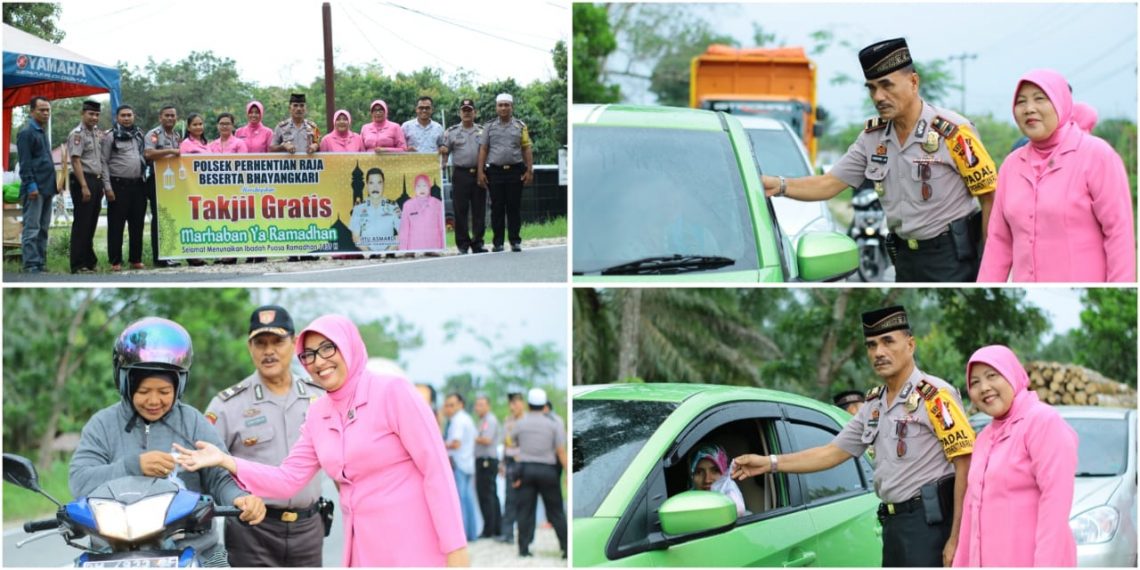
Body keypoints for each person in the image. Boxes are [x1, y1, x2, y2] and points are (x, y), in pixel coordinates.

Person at [175, 314, 469, 567]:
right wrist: (225, 460)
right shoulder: (319, 413)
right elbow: (288, 479)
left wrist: (456, 550)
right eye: (309, 355)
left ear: (348, 345)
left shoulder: (392, 392)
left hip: (413, 542)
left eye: (328, 348)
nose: (319, 361)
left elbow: (437, 472)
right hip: (363, 547)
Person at [732, 305, 975, 567]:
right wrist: (769, 463)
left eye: (888, 341)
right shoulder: (873, 404)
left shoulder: (934, 395)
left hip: (930, 526)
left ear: (910, 345)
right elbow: (831, 453)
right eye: (871, 345)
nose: (878, 352)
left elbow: (965, 464)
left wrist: (956, 538)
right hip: (894, 525)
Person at [762, 38, 997, 282]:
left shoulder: (953, 131)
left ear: (913, 82)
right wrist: (778, 185)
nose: (878, 97)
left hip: (953, 258)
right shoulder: (873, 138)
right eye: (872, 88)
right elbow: (828, 183)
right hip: (904, 258)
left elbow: (989, 196)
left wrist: (990, 267)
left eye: (887, 86)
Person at [69, 317, 267, 567]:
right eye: (143, 392)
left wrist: (240, 498)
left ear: (179, 386)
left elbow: (219, 477)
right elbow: (80, 482)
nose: (154, 401)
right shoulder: (103, 424)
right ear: (126, 385)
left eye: (164, 392)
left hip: (196, 551)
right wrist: (133, 466)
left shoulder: (193, 422)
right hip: (112, 554)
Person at [977, 69, 1136, 282]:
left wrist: (1121, 288)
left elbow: (1119, 233)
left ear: (1061, 102)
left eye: (1040, 99)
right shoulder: (1010, 165)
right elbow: (998, 242)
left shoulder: (1097, 155)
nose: (1029, 109)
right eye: (1021, 101)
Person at [205, 305, 326, 567]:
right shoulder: (227, 405)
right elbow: (209, 469)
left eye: (277, 341)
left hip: (308, 530)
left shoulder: (320, 397)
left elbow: (343, 462)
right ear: (250, 347)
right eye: (260, 343)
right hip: (252, 532)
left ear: (294, 343)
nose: (269, 351)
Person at [952, 345, 1078, 567]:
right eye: (975, 382)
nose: (984, 387)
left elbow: (1055, 506)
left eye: (992, 376)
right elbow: (972, 511)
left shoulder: (1042, 422)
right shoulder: (984, 438)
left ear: (1012, 374)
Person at [511, 388, 568, 558]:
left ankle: (523, 549)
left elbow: (513, 442)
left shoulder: (520, 423)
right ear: (544, 405)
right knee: (556, 511)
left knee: (526, 510)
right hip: (548, 471)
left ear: (528, 405)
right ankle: (566, 548)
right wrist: (568, 472)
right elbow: (560, 451)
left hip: (526, 470)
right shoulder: (554, 423)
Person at [478, 93, 534, 253]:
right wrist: (480, 171)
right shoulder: (488, 126)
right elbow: (483, 149)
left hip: (515, 171)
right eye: (500, 105)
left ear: (512, 107)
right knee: (497, 208)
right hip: (495, 172)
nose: (503, 108)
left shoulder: (520, 126)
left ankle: (515, 241)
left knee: (514, 207)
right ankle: (498, 243)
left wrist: (530, 170)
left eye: (506, 105)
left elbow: (526, 148)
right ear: (496, 107)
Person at [101, 104, 148, 272]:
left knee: (137, 224)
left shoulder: (139, 134)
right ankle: (115, 261)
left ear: (134, 116)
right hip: (118, 185)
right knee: (116, 225)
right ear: (117, 118)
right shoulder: (110, 136)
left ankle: (136, 259)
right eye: (123, 115)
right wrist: (107, 187)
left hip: (138, 184)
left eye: (129, 115)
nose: (127, 118)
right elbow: (103, 162)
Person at [15, 96, 57, 273]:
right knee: (32, 228)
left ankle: (40, 262)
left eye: (48, 110)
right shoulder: (26, 133)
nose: (46, 113)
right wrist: (31, 185)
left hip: (47, 187)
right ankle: (31, 264)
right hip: (34, 188)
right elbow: (25, 163)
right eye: (42, 110)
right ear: (32, 111)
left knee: (43, 228)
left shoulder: (41, 131)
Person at [67, 99, 109, 274]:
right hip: (83, 180)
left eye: (97, 114)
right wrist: (84, 186)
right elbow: (75, 161)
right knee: (82, 223)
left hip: (96, 180)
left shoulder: (97, 133)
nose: (94, 117)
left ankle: (89, 261)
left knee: (91, 223)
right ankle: (78, 264)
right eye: (91, 114)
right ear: (82, 114)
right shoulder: (77, 134)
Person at [440, 98, 487, 254]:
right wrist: (441, 165)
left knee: (479, 209)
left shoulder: (483, 131)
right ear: (460, 113)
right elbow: (445, 152)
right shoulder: (452, 132)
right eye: (464, 110)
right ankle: (462, 244)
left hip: (479, 173)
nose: (467, 113)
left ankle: (478, 243)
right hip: (460, 174)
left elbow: (488, 151)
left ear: (475, 112)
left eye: (469, 110)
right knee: (460, 210)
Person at [144, 104, 183, 268]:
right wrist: (171, 151)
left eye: (173, 115)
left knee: (170, 217)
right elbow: (148, 153)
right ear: (160, 117)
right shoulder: (154, 134)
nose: (170, 118)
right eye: (167, 115)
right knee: (159, 218)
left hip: (173, 183)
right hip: (156, 181)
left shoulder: (177, 135)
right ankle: (159, 257)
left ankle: (170, 253)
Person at [206, 113, 245, 265]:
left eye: (227, 123)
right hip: (216, 190)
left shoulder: (239, 144)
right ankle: (220, 253)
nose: (224, 126)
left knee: (233, 220)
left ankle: (232, 253)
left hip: (234, 189)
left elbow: (243, 165)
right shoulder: (211, 145)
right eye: (222, 123)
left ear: (232, 126)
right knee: (218, 220)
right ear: (217, 126)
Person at [444, 393, 480, 541]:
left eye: (452, 405)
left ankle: (462, 535)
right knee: (468, 499)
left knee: (460, 500)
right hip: (468, 463)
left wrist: (441, 444)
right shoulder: (467, 419)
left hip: (459, 463)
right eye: (447, 405)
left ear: (460, 404)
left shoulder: (457, 420)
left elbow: (456, 443)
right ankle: (472, 533)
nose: (449, 408)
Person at [496, 392, 525, 544]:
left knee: (523, 499)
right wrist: (502, 463)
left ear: (522, 404)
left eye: (516, 403)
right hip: (509, 461)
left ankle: (523, 534)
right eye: (511, 403)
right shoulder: (508, 421)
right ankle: (507, 533)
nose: (513, 406)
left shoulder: (526, 421)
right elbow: (505, 444)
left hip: (522, 461)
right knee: (509, 497)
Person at [349, 167, 400, 251]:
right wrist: (369, 253)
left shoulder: (393, 206)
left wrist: (387, 252)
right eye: (371, 183)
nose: (375, 187)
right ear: (366, 185)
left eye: (379, 183)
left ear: (383, 184)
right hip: (367, 254)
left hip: (389, 253)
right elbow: (355, 237)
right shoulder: (358, 208)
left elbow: (402, 232)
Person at [473, 395, 502, 540]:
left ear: (488, 406)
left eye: (481, 405)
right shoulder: (482, 421)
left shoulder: (490, 420)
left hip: (487, 461)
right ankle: (495, 527)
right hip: (484, 461)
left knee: (487, 495)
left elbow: (487, 440)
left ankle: (489, 529)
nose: (478, 408)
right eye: (477, 405)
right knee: (489, 494)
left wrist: (472, 437)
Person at [397, 173, 444, 250]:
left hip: (434, 246)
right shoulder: (408, 205)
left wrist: (443, 247)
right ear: (414, 188)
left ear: (429, 187)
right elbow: (404, 230)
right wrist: (403, 249)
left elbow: (442, 228)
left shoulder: (437, 204)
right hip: (414, 247)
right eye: (418, 186)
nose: (422, 189)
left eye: (425, 185)